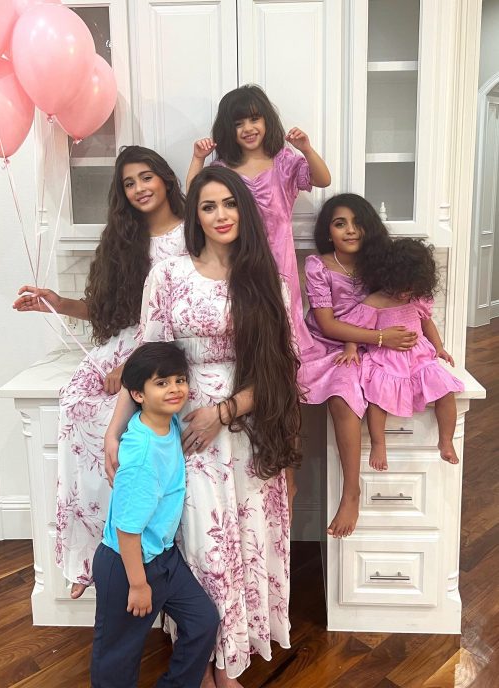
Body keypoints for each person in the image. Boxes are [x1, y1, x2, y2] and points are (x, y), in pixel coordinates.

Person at [105, 166, 302, 688]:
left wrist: (224, 412)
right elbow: (144, 361)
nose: (220, 215)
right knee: (202, 545)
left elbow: (281, 369)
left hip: (247, 430)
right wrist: (113, 432)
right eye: (209, 206)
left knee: (244, 540)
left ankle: (228, 663)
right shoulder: (168, 275)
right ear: (196, 215)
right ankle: (204, 661)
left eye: (229, 203)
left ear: (245, 210)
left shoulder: (269, 282)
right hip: (182, 431)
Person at [12, 146, 187, 599]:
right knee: (74, 406)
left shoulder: (192, 234)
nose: (139, 188)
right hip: (124, 344)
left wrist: (133, 367)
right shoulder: (123, 239)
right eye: (129, 183)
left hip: (165, 347)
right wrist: (57, 302)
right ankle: (88, 555)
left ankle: (130, 546)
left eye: (146, 177)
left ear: (166, 178)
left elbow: (180, 311)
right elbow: (107, 308)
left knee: (122, 428)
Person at [91, 342, 219, 688]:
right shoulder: (142, 458)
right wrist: (137, 584)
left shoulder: (166, 422)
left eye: (179, 380)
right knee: (118, 655)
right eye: (161, 383)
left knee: (203, 621)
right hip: (127, 564)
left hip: (163, 557)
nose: (175, 389)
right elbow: (127, 530)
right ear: (138, 394)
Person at [186, 84, 331, 386]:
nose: (248, 128)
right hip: (238, 259)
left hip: (279, 261)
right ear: (228, 129)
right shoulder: (223, 168)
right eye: (238, 123)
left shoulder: (284, 161)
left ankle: (282, 391)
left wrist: (305, 148)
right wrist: (198, 159)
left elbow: (323, 179)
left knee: (280, 326)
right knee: (243, 323)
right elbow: (195, 198)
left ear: (266, 120)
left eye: (254, 119)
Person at [303, 194, 418, 538]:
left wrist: (430, 345)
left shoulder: (380, 263)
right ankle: (327, 490)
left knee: (354, 392)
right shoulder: (318, 265)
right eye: (340, 224)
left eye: (357, 223)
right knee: (322, 395)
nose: (350, 230)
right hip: (327, 344)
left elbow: (414, 301)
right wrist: (380, 338)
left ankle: (352, 491)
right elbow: (326, 325)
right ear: (328, 232)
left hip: (369, 346)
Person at [341, 238, 464, 471]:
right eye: (401, 288)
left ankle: (446, 441)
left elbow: (427, 324)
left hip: (418, 357)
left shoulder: (416, 299)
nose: (405, 293)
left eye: (411, 289)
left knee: (446, 390)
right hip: (387, 359)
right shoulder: (375, 301)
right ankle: (379, 444)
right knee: (378, 398)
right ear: (388, 278)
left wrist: (439, 347)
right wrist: (350, 348)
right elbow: (356, 327)